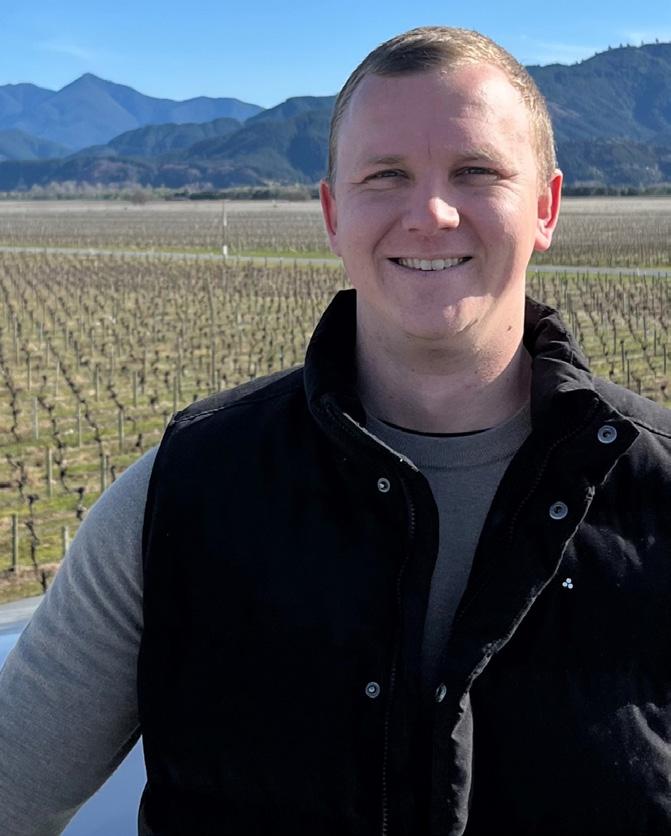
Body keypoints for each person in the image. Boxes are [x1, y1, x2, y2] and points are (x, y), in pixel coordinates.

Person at [1, 25, 671, 836]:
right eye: (385, 176)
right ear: (331, 212)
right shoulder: (178, 498)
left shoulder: (659, 491)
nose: (431, 213)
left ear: (545, 208)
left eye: (476, 172)